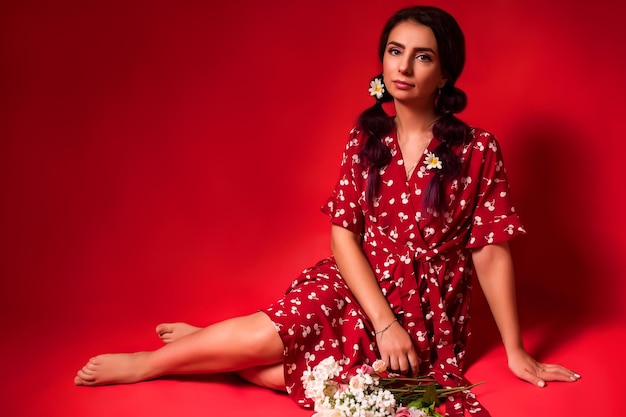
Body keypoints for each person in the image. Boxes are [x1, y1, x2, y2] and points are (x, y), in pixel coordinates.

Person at [74, 5, 580, 416]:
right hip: (355, 281)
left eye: (422, 57)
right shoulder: (367, 139)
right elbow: (343, 236)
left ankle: (209, 345)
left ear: (445, 71)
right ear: (382, 60)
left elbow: (490, 250)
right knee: (270, 335)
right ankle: (149, 363)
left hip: (429, 311)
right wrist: (382, 321)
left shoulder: (478, 149)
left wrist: (515, 350)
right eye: (394, 51)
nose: (403, 67)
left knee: (318, 385)